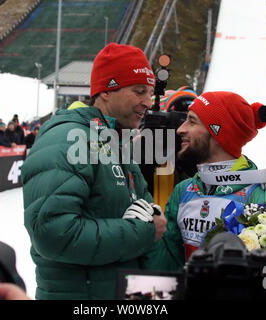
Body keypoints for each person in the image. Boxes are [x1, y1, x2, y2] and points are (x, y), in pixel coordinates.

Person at [21, 43, 167, 300]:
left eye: (151, 92)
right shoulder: (68, 137)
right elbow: (53, 233)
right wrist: (142, 232)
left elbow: (148, 214)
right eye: (139, 91)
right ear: (106, 91)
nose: (148, 102)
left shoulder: (114, 143)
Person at [141, 91, 266, 272]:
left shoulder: (262, 194)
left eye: (192, 122)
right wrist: (147, 232)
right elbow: (167, 265)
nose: (180, 129)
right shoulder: (184, 190)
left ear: (218, 132)